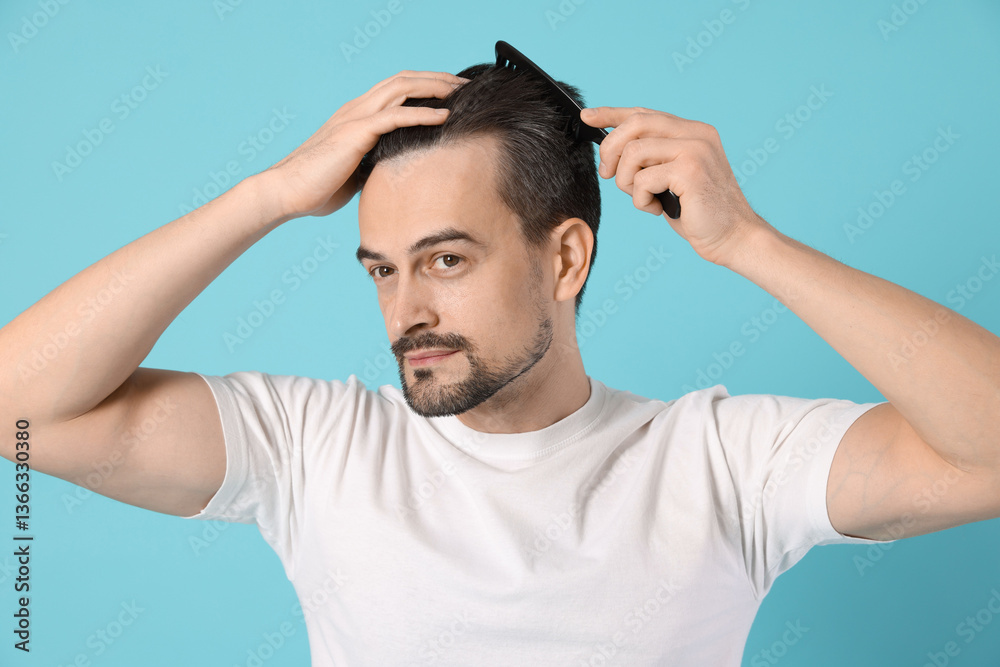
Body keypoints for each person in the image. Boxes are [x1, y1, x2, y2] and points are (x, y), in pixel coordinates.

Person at [2, 61, 999, 666]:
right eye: (381, 270)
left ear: (564, 257)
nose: (407, 311)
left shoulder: (721, 459)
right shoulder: (312, 446)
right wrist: (266, 195)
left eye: (445, 259)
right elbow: (19, 405)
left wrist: (747, 243)